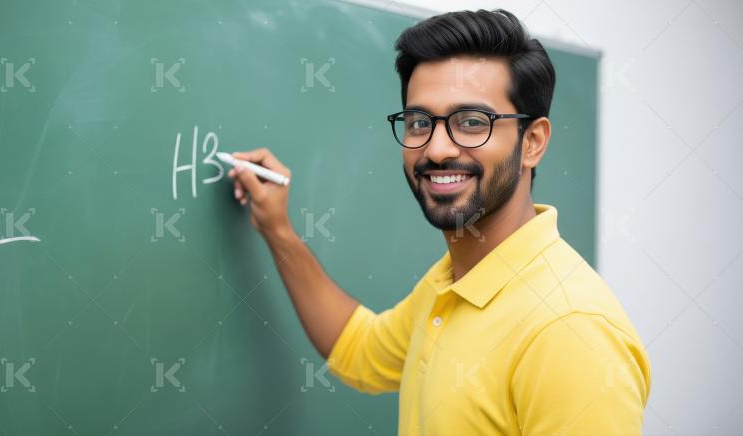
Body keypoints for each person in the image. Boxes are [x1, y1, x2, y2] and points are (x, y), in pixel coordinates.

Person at [226, 9, 650, 435]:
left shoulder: (571, 331)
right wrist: (278, 230)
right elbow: (358, 349)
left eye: (471, 122)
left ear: (532, 142)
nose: (438, 148)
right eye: (419, 122)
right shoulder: (454, 282)